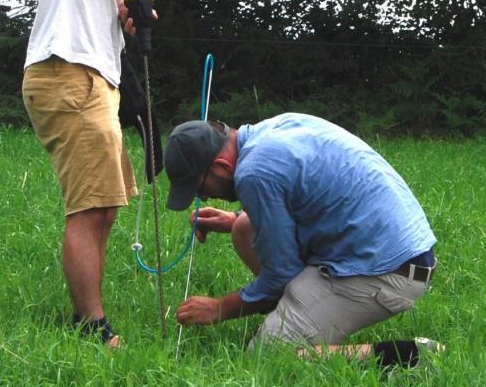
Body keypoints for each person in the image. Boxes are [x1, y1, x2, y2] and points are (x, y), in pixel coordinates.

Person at [22, 0, 195, 347]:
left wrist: (124, 17)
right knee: (89, 207)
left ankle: (89, 319)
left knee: (106, 208)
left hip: (95, 78)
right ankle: (91, 327)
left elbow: (94, 2)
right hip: (67, 71)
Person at [164, 113, 441, 366]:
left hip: (384, 272)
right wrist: (237, 217)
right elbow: (304, 196)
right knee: (244, 229)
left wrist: (220, 307)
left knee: (267, 357)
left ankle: (412, 356)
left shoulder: (254, 173)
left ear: (221, 166)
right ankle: (300, 316)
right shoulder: (274, 129)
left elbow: (279, 275)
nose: (203, 198)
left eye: (199, 187)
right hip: (398, 251)